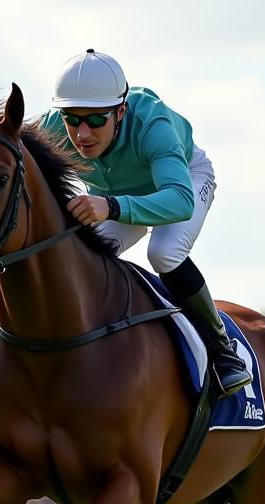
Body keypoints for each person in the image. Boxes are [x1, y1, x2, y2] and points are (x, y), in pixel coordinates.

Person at [37, 49, 251, 396]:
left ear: (120, 111)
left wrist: (110, 206)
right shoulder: (50, 128)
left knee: (164, 252)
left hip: (182, 183)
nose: (82, 133)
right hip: (117, 200)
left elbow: (180, 201)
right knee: (83, 255)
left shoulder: (152, 123)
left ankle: (222, 351)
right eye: (72, 119)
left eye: (95, 120)